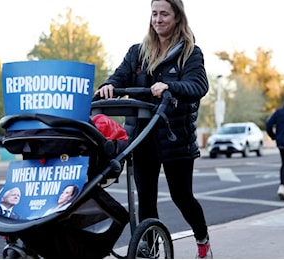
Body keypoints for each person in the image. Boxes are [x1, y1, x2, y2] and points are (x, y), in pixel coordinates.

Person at [94, 0, 211, 258]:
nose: (158, 19)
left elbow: (198, 85)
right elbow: (118, 77)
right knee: (145, 199)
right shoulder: (138, 52)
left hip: (174, 138)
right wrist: (108, 86)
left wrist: (171, 87)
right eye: (154, 14)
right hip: (142, 137)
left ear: (177, 17)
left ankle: (202, 241)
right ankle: (151, 252)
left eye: (164, 14)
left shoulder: (190, 53)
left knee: (182, 196)